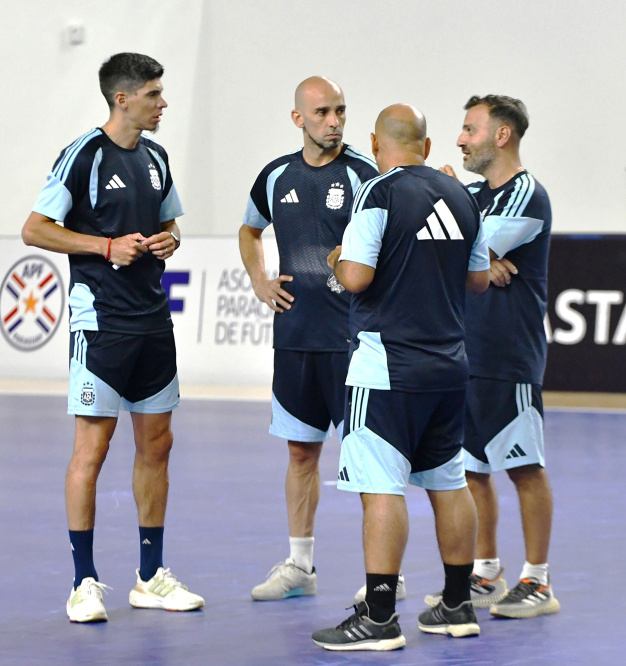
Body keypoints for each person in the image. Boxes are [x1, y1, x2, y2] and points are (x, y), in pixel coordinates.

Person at [22, 52, 203, 623]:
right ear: (122, 98)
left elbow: (170, 221)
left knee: (157, 445)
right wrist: (104, 247)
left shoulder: (156, 156)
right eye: (154, 94)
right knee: (92, 451)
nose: (163, 103)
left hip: (154, 321)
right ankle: (83, 582)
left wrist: (169, 240)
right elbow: (34, 229)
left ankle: (150, 576)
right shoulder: (84, 155)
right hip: (100, 325)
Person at [311, 104, 491, 651]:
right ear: (428, 145)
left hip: (386, 366)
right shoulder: (462, 196)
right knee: (448, 482)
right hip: (447, 367)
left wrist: (337, 259)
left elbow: (358, 277)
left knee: (380, 488)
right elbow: (479, 280)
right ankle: (458, 604)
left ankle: (380, 616)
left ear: (374, 141)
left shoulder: (379, 191)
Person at [239, 77, 395, 601]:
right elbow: (249, 229)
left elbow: (395, 242)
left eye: (341, 112)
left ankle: (384, 580)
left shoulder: (365, 177)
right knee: (301, 456)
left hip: (354, 345)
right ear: (298, 118)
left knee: (369, 462)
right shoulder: (275, 175)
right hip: (296, 340)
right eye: (324, 112)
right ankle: (300, 567)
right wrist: (260, 278)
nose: (334, 121)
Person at [431, 95, 559, 619]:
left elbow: (462, 244)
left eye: (469, 129)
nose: (460, 139)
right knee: (472, 471)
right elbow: (449, 245)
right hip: (464, 353)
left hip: (508, 355)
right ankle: (486, 572)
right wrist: (481, 254)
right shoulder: (474, 196)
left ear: (500, 136)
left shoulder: (527, 193)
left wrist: (475, 247)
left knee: (525, 468)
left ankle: (538, 582)